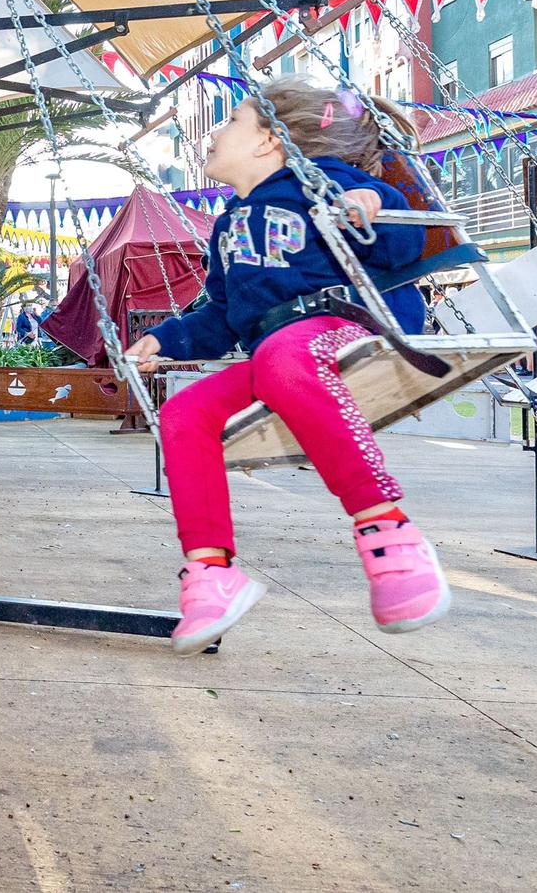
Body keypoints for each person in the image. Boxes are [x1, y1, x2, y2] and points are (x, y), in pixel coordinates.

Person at [122, 77, 447, 655]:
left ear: (270, 140)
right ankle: (211, 571)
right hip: (280, 354)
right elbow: (222, 316)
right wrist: (166, 339)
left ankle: (390, 533)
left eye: (230, 123)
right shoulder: (226, 227)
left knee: (282, 357)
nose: (214, 133)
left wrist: (372, 205)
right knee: (184, 411)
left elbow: (399, 243)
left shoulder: (323, 182)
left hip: (345, 328)